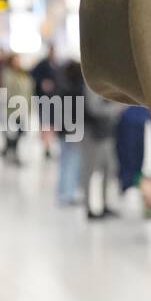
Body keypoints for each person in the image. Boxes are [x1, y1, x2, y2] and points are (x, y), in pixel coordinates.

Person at [80, 79, 122, 220]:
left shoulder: (105, 82)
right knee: (89, 170)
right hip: (92, 133)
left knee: (109, 168)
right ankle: (88, 208)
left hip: (105, 132)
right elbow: (94, 108)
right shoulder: (90, 82)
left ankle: (104, 204)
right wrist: (116, 108)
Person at [56, 60, 85, 205]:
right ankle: (68, 194)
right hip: (74, 130)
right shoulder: (78, 89)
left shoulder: (62, 88)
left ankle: (63, 193)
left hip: (63, 130)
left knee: (64, 162)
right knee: (72, 162)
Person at [1, 52, 33, 166]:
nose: (18, 62)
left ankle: (9, 148)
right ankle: (11, 150)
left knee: (19, 131)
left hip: (22, 107)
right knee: (15, 131)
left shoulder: (22, 73)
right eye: (16, 60)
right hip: (13, 108)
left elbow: (28, 90)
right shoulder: (7, 73)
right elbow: (8, 89)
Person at [31, 44, 61, 160]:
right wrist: (42, 82)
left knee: (52, 124)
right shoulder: (43, 64)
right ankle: (46, 146)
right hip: (44, 99)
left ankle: (50, 145)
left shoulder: (56, 65)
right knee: (45, 123)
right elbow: (33, 74)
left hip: (55, 100)